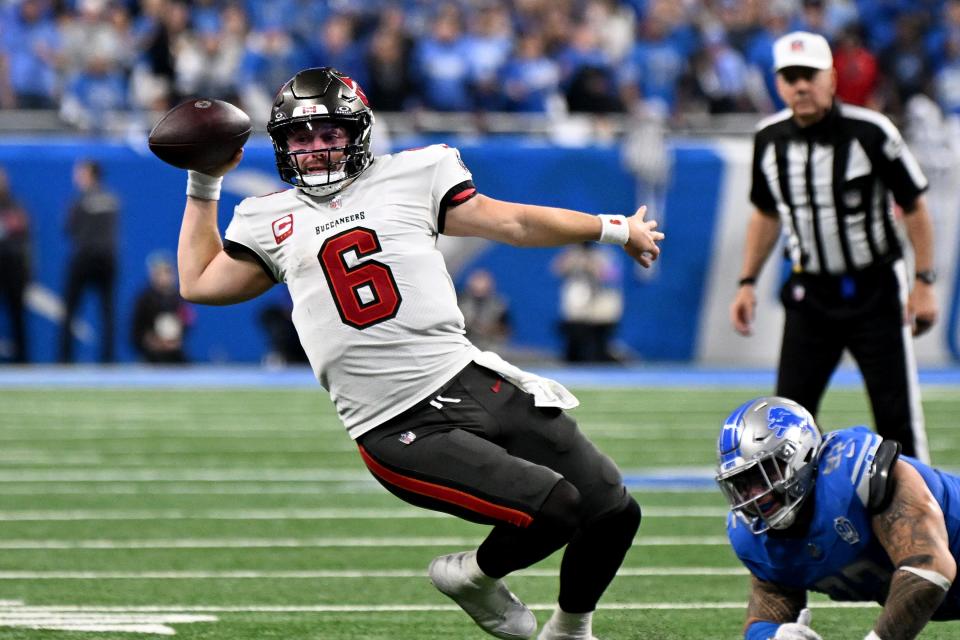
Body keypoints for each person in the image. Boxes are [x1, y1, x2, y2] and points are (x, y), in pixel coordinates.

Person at [174, 67, 663, 640]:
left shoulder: (412, 175)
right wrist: (203, 182)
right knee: (555, 508)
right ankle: (472, 578)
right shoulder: (269, 217)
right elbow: (200, 282)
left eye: (328, 134)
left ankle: (570, 628)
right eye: (300, 139)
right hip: (395, 422)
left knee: (612, 509)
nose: (314, 150)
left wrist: (611, 227)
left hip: (468, 376)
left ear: (357, 133)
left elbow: (512, 221)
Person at [729, 31, 937, 463]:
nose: (801, 86)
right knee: (789, 417)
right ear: (778, 83)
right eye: (790, 77)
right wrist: (747, 281)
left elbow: (914, 205)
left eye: (810, 75)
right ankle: (803, 521)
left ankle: (922, 522)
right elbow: (766, 213)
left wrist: (924, 281)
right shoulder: (769, 139)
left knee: (896, 418)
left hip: (876, 289)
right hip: (811, 294)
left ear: (832, 78)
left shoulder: (871, 131)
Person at [715, 396, 960, 640]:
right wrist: (775, 635)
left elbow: (929, 570)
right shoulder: (752, 535)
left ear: (800, 454)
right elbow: (765, 613)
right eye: (742, 483)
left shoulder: (854, 474)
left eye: (765, 473)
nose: (755, 495)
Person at [60, 159, 120, 363]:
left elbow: (70, 228)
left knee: (70, 309)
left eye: (80, 173)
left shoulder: (79, 201)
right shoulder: (112, 199)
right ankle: (108, 358)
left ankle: (65, 359)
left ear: (89, 174)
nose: (76, 177)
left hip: (84, 258)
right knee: (107, 310)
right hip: (107, 258)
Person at [552, 242, 624, 363]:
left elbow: (613, 276)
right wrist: (573, 260)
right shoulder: (572, 253)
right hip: (577, 313)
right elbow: (557, 269)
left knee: (597, 351)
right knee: (574, 351)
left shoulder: (605, 253)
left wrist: (595, 266)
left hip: (599, 312)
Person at [131, 251, 191, 364]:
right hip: (151, 355)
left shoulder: (180, 298)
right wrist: (152, 341)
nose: (163, 277)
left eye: (167, 272)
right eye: (159, 273)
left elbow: (187, 322)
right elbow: (136, 331)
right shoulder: (144, 300)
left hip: (175, 354)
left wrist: (177, 340)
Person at [0, 168, 31, 363]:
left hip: (13, 267)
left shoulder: (15, 206)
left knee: (17, 314)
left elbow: (25, 238)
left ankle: (22, 359)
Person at [457, 269, 510, 352]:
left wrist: (489, 328)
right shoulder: (460, 303)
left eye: (482, 282)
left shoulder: (498, 305)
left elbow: (505, 329)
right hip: (465, 343)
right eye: (477, 281)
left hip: (490, 345)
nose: (479, 285)